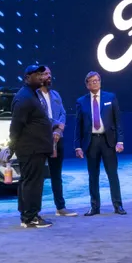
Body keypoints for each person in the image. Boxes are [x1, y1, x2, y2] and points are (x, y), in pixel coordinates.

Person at [74, 72, 126, 216]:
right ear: (87, 85)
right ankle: (95, 207)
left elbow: (118, 121)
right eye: (92, 81)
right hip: (91, 142)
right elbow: (78, 125)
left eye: (97, 80)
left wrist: (120, 141)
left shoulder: (110, 97)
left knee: (112, 174)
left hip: (108, 141)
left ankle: (118, 205)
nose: (95, 83)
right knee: (93, 176)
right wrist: (77, 145)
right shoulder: (81, 101)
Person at [10, 64, 55, 229]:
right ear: (27, 77)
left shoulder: (31, 95)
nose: (41, 77)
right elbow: (16, 126)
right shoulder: (24, 97)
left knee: (28, 181)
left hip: (34, 148)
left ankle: (26, 215)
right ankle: (31, 217)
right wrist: (11, 147)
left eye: (41, 74)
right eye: (37, 74)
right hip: (31, 148)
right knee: (33, 183)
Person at [40, 66, 77, 217]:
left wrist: (59, 130)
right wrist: (55, 125)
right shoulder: (34, 96)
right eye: (45, 74)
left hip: (57, 138)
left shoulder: (55, 94)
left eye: (50, 73)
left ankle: (60, 207)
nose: (49, 76)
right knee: (38, 176)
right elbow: (40, 116)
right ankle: (34, 211)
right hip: (41, 139)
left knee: (57, 174)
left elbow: (63, 113)